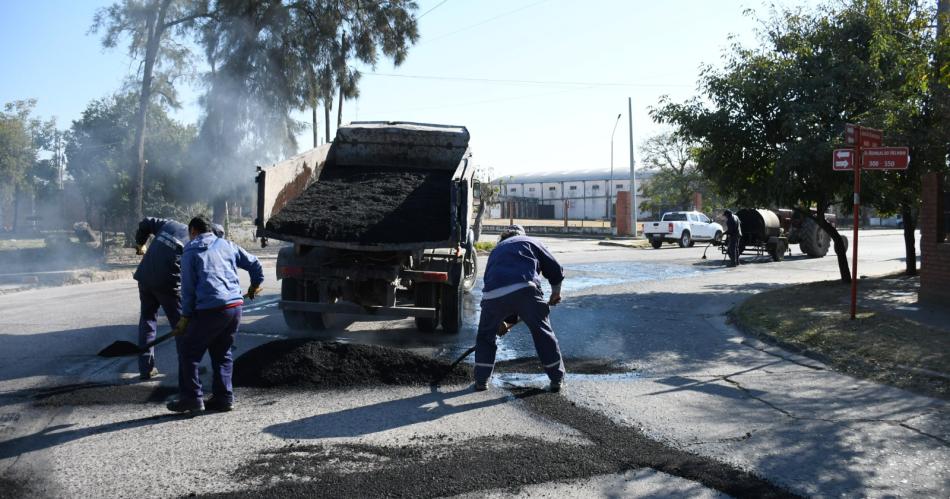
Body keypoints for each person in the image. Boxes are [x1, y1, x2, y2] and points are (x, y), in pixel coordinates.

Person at [166, 215, 264, 414]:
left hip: (211, 309)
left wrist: (185, 317)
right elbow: (255, 263)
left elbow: (188, 289)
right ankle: (224, 398)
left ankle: (192, 398)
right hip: (234, 307)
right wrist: (255, 284)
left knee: (188, 352)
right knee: (222, 353)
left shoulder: (190, 251)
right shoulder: (227, 245)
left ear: (193, 231)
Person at [473, 225, 566, 393]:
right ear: (522, 234)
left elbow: (493, 284)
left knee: (486, 337)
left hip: (492, 296)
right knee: (542, 333)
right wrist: (556, 293)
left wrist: (499, 321)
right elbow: (554, 268)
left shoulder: (496, 250)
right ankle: (556, 379)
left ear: (504, 237)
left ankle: (481, 380)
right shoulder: (531, 241)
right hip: (526, 289)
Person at [132, 217, 190, 380]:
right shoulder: (198, 242)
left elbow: (145, 222)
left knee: (147, 320)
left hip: (146, 278)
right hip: (168, 286)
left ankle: (146, 368)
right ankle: (188, 370)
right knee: (181, 326)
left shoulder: (170, 224)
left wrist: (140, 243)